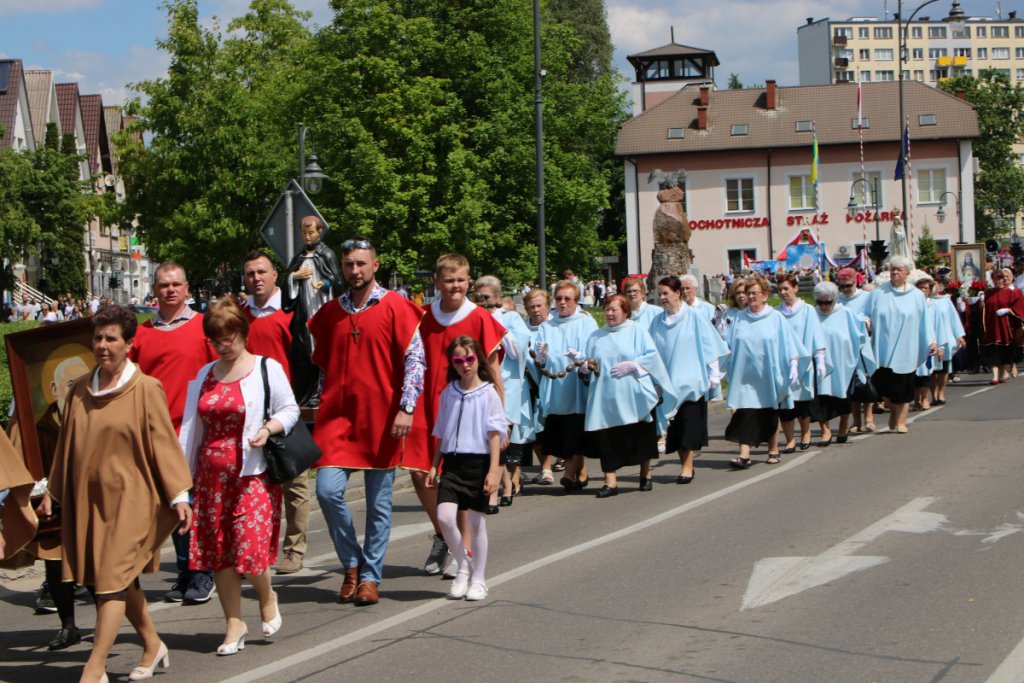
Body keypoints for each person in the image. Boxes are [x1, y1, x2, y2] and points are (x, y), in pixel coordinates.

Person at [46, 305, 194, 683]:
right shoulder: (79, 389)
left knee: (110, 580)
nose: (102, 345)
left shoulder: (145, 389)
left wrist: (179, 495)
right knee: (116, 580)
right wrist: (52, 490)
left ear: (129, 344)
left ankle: (93, 669)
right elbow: (67, 445)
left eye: (111, 338)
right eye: (97, 338)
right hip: (91, 502)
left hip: (133, 501)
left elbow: (164, 443)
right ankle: (152, 644)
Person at [309, 237, 426, 606]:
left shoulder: (397, 306)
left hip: (383, 419)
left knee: (378, 504)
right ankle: (351, 564)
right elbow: (323, 366)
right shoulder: (331, 312)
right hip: (338, 419)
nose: (355, 271)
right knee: (327, 491)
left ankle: (370, 576)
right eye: (348, 264)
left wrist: (407, 407)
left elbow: (415, 361)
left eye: (361, 263)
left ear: (375, 265)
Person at [178, 298, 298, 655]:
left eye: (229, 336)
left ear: (242, 333)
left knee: (249, 546)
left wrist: (269, 428)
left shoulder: (266, 368)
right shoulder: (204, 375)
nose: (223, 345)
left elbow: (289, 409)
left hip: (252, 473)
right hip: (210, 479)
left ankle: (266, 593)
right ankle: (234, 623)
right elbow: (189, 431)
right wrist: (181, 488)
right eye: (216, 339)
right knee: (218, 554)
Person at [413, 254, 506, 577]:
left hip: (469, 407)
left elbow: (493, 369)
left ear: (469, 282)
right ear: (436, 282)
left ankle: (462, 549)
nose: (454, 286)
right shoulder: (421, 317)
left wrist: (501, 419)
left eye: (460, 280)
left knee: (462, 480)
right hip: (427, 405)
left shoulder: (479, 318)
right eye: (448, 280)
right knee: (420, 470)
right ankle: (443, 534)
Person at [129, 263, 216, 604]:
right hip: (156, 435)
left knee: (191, 505)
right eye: (164, 285)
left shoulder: (202, 328)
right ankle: (185, 572)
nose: (170, 290)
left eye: (176, 284)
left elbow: (218, 374)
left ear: (186, 287)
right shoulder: (142, 334)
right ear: (154, 288)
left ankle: (200, 573)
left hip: (195, 432)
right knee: (172, 508)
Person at [240, 251, 308, 576]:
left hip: (287, 408)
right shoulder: (240, 317)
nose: (256, 278)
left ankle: (294, 550)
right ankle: (258, 549)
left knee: (295, 482)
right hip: (250, 411)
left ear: (275, 275)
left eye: (261, 272)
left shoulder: (291, 311)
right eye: (250, 273)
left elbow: (307, 354)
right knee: (257, 485)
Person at [426, 336, 505, 601]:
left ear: (477, 359)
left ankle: (479, 579)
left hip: (479, 462)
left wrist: (494, 471)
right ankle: (463, 565)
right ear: (453, 363)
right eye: (458, 360)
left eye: (469, 359)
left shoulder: (488, 392)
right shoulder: (449, 392)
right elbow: (441, 432)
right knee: (445, 517)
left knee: (476, 523)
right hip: (453, 462)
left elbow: (495, 433)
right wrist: (435, 465)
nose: (465, 365)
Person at [582, 295, 675, 496]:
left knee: (640, 434)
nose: (609, 313)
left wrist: (634, 365)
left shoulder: (636, 330)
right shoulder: (596, 336)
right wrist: (584, 367)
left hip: (633, 395)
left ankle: (645, 474)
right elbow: (588, 363)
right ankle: (610, 482)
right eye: (607, 309)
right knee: (607, 438)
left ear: (625, 311)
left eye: (614, 310)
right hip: (605, 397)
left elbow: (651, 355)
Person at [721, 276, 809, 468]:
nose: (750, 297)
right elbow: (726, 345)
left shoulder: (775, 317)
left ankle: (773, 449)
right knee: (745, 413)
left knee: (769, 413)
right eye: (747, 293)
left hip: (768, 374)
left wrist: (794, 364)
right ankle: (744, 454)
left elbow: (790, 343)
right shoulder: (739, 319)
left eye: (754, 293)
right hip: (745, 376)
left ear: (765, 296)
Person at [650, 276, 730, 484]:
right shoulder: (657, 322)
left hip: (691, 381)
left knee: (688, 425)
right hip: (669, 384)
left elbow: (709, 344)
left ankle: (687, 467)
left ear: (678, 293)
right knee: (675, 428)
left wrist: (713, 373)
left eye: (666, 293)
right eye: (660, 294)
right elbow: (651, 351)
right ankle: (685, 463)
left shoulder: (694, 317)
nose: (662, 298)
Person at [473, 277, 533, 508]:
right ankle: (506, 484)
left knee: (498, 438)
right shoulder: (476, 317)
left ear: (497, 298)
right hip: (481, 386)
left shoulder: (511, 318)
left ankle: (493, 495)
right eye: (479, 298)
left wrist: (497, 328)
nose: (483, 302)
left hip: (505, 385)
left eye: (487, 298)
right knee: (488, 440)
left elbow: (518, 350)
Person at [534, 280, 598, 493]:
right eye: (559, 298)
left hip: (576, 386)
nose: (562, 303)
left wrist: (581, 359)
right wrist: (542, 357)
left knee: (575, 431)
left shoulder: (585, 322)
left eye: (567, 299)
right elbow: (540, 357)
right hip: (555, 387)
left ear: (576, 300)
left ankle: (570, 475)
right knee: (562, 432)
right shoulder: (547, 325)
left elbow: (593, 351)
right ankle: (580, 473)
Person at [865, 256, 936, 433]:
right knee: (885, 389)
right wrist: (866, 322)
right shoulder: (878, 293)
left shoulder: (916, 295)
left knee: (904, 386)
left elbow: (925, 321)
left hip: (907, 347)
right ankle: (893, 411)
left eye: (899, 270)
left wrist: (932, 341)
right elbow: (866, 314)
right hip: (884, 348)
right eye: (893, 269)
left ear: (907, 273)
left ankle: (902, 420)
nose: (895, 272)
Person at [283, 215, 343, 407]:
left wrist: (325, 284)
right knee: (304, 351)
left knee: (321, 348)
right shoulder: (300, 256)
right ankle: (307, 393)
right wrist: (294, 276)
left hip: (322, 307)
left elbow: (338, 283)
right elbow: (287, 282)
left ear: (319, 232)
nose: (307, 237)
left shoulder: (326, 255)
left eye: (311, 233)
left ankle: (322, 389)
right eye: (304, 233)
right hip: (305, 310)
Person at [811, 282, 874, 444]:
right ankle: (825, 430)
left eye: (828, 302)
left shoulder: (846, 314)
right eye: (820, 302)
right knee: (819, 400)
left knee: (843, 398)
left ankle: (843, 425)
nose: (824, 306)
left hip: (843, 365)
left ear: (835, 300)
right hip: (819, 366)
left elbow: (861, 337)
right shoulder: (811, 315)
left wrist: (865, 360)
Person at [775, 274, 829, 455]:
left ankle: (805, 433)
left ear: (795, 288)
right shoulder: (777, 313)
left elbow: (815, 334)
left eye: (786, 289)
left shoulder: (807, 310)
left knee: (803, 402)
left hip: (804, 362)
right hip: (784, 364)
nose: (782, 292)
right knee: (785, 403)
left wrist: (820, 358)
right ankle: (790, 439)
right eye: (780, 289)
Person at [523, 289, 554, 486]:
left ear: (547, 306)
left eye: (539, 306)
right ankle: (546, 467)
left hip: (552, 383)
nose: (535, 310)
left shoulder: (554, 327)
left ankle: (554, 466)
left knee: (549, 426)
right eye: (531, 307)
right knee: (534, 428)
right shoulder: (522, 329)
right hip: (528, 385)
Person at [980, 268, 1024, 384]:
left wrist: (1008, 310)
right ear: (992, 280)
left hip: (1005, 324)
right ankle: (994, 376)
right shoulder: (988, 293)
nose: (998, 281)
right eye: (996, 279)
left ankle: (1003, 371)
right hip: (991, 325)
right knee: (993, 350)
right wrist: (979, 301)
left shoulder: (1011, 293)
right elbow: (984, 308)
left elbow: (1018, 307)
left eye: (1000, 279)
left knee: (1004, 349)